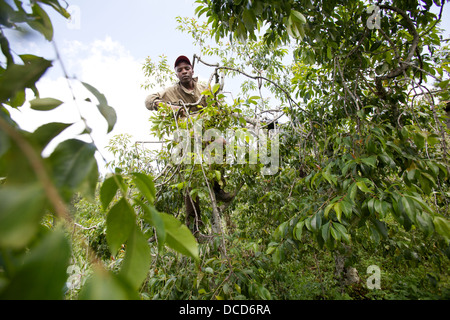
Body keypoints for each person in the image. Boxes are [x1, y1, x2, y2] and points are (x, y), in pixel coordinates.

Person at [145, 55, 232, 234]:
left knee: (222, 142)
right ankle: (194, 225)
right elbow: (148, 100)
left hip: (205, 134)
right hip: (186, 139)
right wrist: (167, 107)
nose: (184, 72)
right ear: (176, 74)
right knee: (191, 179)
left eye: (186, 68)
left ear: (192, 70)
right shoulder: (172, 91)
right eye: (180, 70)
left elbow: (218, 106)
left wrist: (219, 111)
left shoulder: (203, 88)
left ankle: (218, 188)